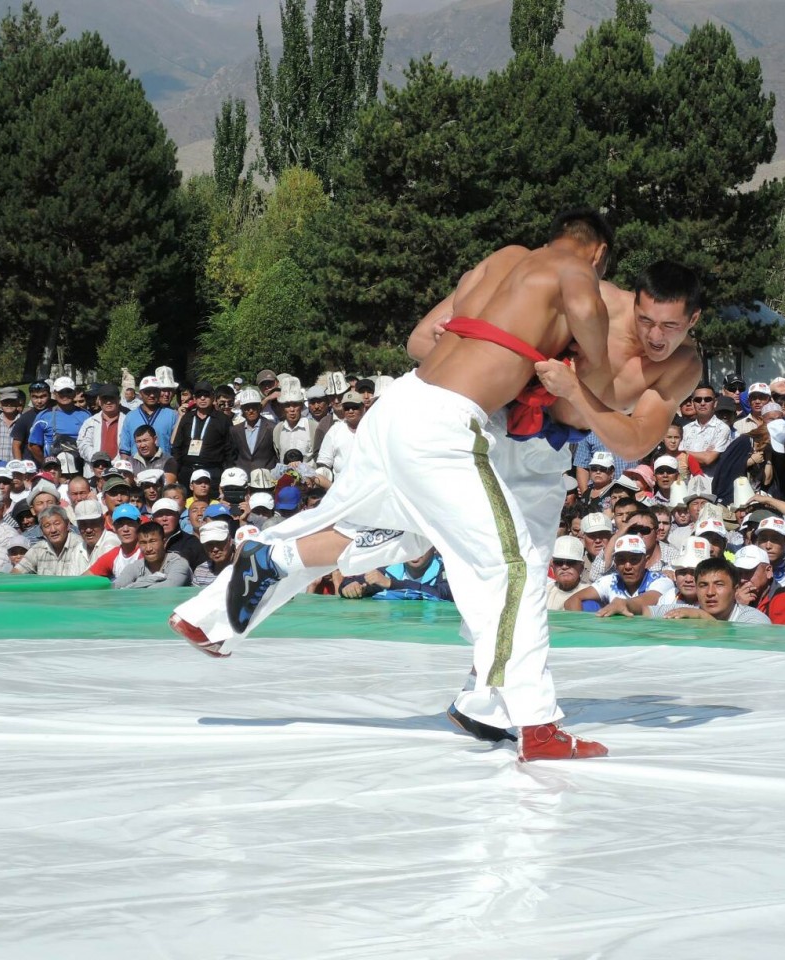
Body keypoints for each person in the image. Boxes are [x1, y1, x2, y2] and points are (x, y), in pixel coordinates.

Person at [173, 210, 630, 761]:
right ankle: (537, 725)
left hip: (400, 403)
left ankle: (228, 601)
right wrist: (585, 367)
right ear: (598, 253)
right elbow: (586, 328)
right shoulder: (574, 270)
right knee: (509, 567)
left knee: (383, 532)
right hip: (447, 425)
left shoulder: (501, 260)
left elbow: (420, 339)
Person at [564, 533, 676, 616]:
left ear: (646, 561)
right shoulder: (610, 580)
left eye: (634, 560)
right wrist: (581, 628)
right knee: (588, 605)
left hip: (648, 635)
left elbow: (649, 600)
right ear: (615, 563)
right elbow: (572, 600)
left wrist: (622, 604)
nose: (627, 566)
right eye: (621, 560)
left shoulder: (662, 581)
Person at [656, 554, 770, 624]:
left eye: (719, 584)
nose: (710, 592)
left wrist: (702, 617)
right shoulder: (684, 611)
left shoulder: (754, 619)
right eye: (703, 585)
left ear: (735, 589)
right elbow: (644, 610)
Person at [13, 506, 91, 576]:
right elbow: (16, 572)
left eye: (57, 524)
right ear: (41, 531)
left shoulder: (81, 546)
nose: (53, 530)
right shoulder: (38, 549)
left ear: (67, 525)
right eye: (47, 526)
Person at [114, 521, 192, 588]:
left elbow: (170, 586)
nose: (148, 548)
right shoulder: (136, 566)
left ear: (164, 543)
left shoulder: (179, 563)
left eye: (153, 541)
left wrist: (134, 585)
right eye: (143, 543)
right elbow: (117, 586)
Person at [546, 535, 586, 610]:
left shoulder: (591, 593)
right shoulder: (544, 592)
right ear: (552, 565)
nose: (564, 567)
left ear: (581, 567)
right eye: (559, 562)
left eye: (571, 562)